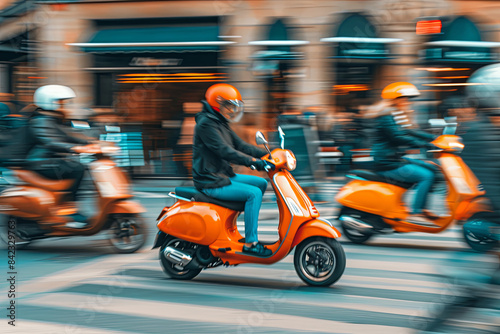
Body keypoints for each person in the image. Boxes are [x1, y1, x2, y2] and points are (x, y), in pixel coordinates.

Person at [192, 83, 272, 256]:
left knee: (260, 183)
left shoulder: (220, 122)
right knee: (253, 194)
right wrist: (253, 162)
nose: (231, 110)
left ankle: (232, 222)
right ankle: (251, 243)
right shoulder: (206, 124)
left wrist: (268, 154)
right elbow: (225, 150)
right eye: (228, 105)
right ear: (217, 104)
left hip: (223, 175)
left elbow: (240, 145)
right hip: (211, 180)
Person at [363, 82, 438, 224]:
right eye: (403, 98)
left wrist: (432, 138)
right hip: (386, 162)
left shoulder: (396, 114)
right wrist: (424, 144)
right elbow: (397, 136)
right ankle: (416, 212)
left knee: (432, 168)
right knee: (426, 176)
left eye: (407, 99)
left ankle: (421, 207)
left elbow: (409, 130)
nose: (407, 101)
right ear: (394, 99)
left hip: (394, 158)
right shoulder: (385, 116)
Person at [26, 85, 98, 224]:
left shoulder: (51, 118)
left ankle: (67, 205)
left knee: (81, 168)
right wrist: (75, 148)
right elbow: (50, 141)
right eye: (60, 102)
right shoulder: (40, 120)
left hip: (50, 158)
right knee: (77, 168)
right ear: (49, 101)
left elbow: (68, 136)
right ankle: (69, 210)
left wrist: (91, 142)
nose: (63, 105)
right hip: (41, 161)